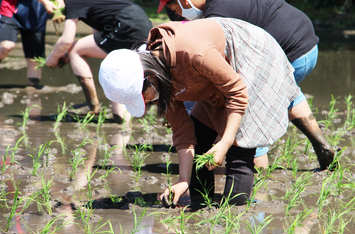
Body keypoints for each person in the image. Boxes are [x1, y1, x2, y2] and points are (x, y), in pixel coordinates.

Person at [98, 17, 307, 206]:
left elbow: (237, 91)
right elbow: (182, 132)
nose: (147, 102)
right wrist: (183, 181)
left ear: (148, 75)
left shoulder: (191, 51)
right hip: (213, 78)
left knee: (238, 148)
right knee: (200, 141)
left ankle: (236, 216)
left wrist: (224, 142)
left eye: (142, 96)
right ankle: (200, 205)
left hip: (250, 55)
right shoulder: (159, 79)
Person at [156, 0, 335, 170]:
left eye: (175, 10)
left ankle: (258, 182)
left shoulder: (219, 16)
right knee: (286, 93)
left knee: (253, 112)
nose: (179, 15)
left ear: (184, 2)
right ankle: (320, 142)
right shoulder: (217, 6)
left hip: (287, 49)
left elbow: (227, 79)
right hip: (307, 44)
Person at [45, 0, 152, 123]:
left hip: (125, 24)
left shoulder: (72, 2)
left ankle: (92, 105)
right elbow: (98, 34)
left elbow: (66, 40)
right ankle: (122, 120)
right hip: (140, 23)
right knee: (114, 68)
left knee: (74, 50)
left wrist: (52, 58)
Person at [0, 0, 59, 87]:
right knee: (7, 46)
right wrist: (45, 2)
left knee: (35, 59)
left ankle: (33, 92)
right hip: (11, 7)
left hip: (37, 11)